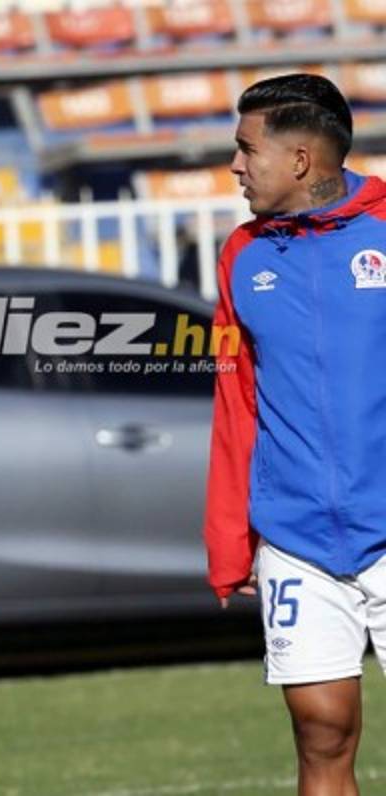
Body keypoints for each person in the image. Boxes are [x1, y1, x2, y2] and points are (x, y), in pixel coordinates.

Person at [205, 73, 386, 795]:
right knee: (322, 733)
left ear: (301, 159)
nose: (235, 165)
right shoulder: (240, 256)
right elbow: (235, 399)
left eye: (247, 149)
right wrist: (230, 538)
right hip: (297, 539)